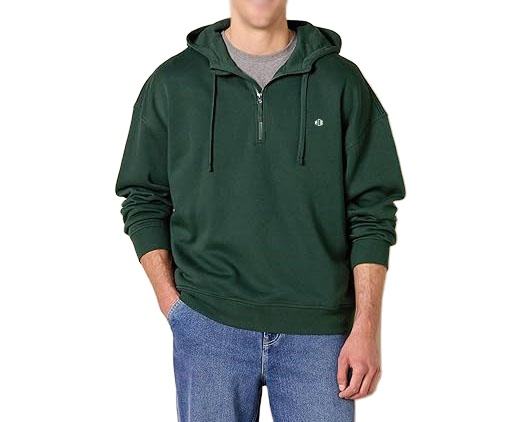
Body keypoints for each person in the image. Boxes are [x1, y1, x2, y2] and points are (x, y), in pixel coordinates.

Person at [115, 0, 406, 420]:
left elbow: (373, 208)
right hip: (209, 323)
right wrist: (173, 306)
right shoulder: (174, 82)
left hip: (320, 331)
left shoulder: (340, 82)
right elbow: (143, 196)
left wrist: (367, 328)